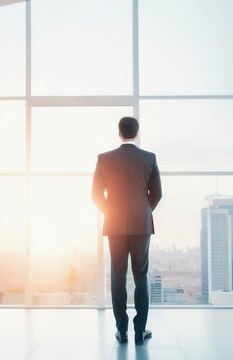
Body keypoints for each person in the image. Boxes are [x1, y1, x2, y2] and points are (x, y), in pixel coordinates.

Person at [91, 116, 162, 345]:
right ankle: (140, 331)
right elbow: (157, 193)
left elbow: (95, 195)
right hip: (141, 225)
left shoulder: (104, 159)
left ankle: (122, 331)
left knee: (118, 276)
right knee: (141, 276)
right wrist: (142, 211)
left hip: (114, 223)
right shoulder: (149, 158)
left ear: (119, 133)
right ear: (137, 133)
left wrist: (111, 211)